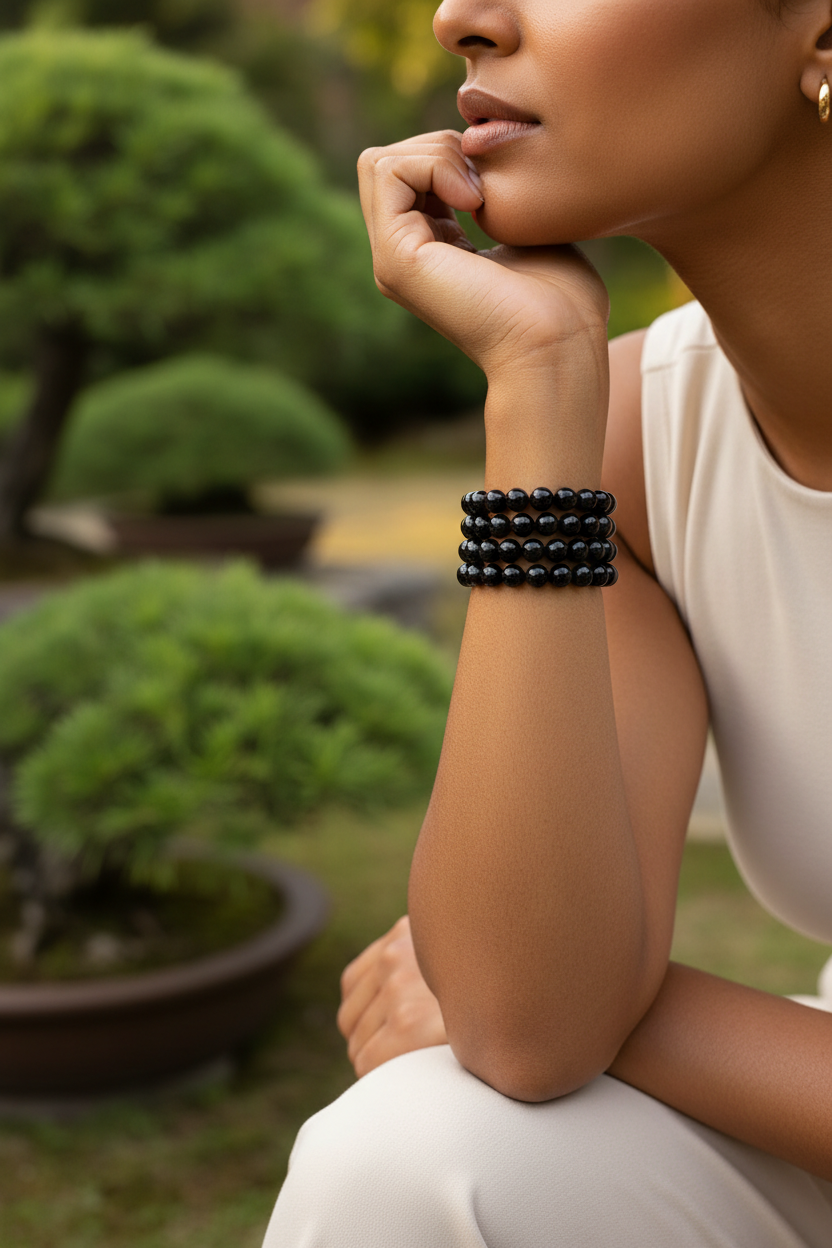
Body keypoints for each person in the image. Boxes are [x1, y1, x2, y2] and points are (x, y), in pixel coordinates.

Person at [264, 0, 832, 1242]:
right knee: (412, 1153)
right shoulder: (639, 433)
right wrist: (538, 387)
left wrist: (592, 1001)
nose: (457, 16)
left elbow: (510, 1001)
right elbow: (528, 1028)